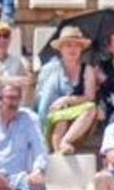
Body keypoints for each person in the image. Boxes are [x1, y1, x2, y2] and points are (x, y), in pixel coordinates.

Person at [35, 27, 100, 156]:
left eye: (77, 46)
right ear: (61, 49)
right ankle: (58, 154)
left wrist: (66, 100)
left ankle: (65, 142)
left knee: (91, 108)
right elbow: (42, 99)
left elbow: (89, 97)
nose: (73, 49)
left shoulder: (87, 70)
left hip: (77, 116)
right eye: (68, 45)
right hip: (52, 115)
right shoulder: (50, 69)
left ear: (81, 49)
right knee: (61, 119)